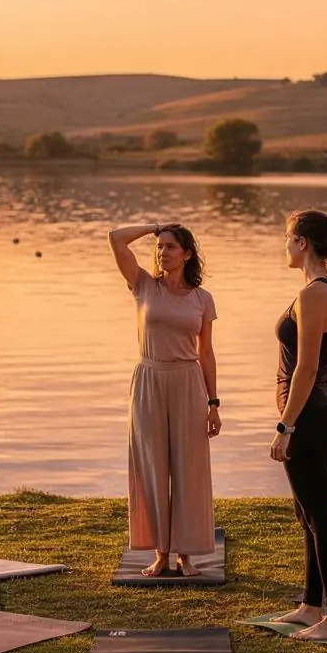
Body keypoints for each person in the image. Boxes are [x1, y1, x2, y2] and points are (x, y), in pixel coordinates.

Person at [108, 220, 220, 577]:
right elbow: (116, 238)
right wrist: (156, 227)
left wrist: (213, 404)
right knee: (152, 467)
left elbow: (206, 353)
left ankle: (185, 555)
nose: (162, 252)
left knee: (188, 468)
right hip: (149, 380)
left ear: (186, 254)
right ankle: (160, 553)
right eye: (160, 247)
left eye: (170, 246)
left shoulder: (202, 299)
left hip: (188, 382)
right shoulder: (143, 285)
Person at [271, 210, 327, 641]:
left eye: (288, 238)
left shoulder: (312, 294)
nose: (285, 246)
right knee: (307, 513)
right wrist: (320, 408)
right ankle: (311, 605)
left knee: (320, 517)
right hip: (322, 412)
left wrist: (287, 426)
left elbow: (306, 368)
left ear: (302, 242)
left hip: (308, 417)